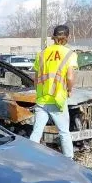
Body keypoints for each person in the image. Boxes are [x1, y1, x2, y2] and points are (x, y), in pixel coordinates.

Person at [29, 24, 78, 159]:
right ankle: (69, 160)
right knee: (64, 132)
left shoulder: (42, 53)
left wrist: (39, 91)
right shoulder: (69, 54)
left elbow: (36, 78)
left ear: (53, 37)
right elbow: (69, 76)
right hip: (58, 99)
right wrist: (69, 89)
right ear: (67, 37)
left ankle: (29, 157)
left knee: (37, 131)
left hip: (42, 99)